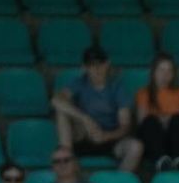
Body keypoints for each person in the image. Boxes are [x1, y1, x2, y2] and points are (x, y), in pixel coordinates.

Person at [52, 45, 143, 173]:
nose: (96, 69)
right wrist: (84, 118)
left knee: (136, 147)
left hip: (110, 139)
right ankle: (67, 160)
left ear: (107, 64)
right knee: (61, 112)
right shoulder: (79, 82)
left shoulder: (117, 87)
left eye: (100, 64)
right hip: (84, 136)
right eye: (91, 65)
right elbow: (56, 100)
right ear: (84, 67)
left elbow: (125, 126)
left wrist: (106, 136)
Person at [136, 52, 179, 172]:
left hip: (176, 139)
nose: (165, 75)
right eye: (161, 70)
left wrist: (170, 119)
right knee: (150, 121)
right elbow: (141, 122)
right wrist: (161, 121)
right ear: (153, 72)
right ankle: (161, 161)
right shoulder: (144, 93)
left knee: (177, 119)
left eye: (169, 71)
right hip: (154, 141)